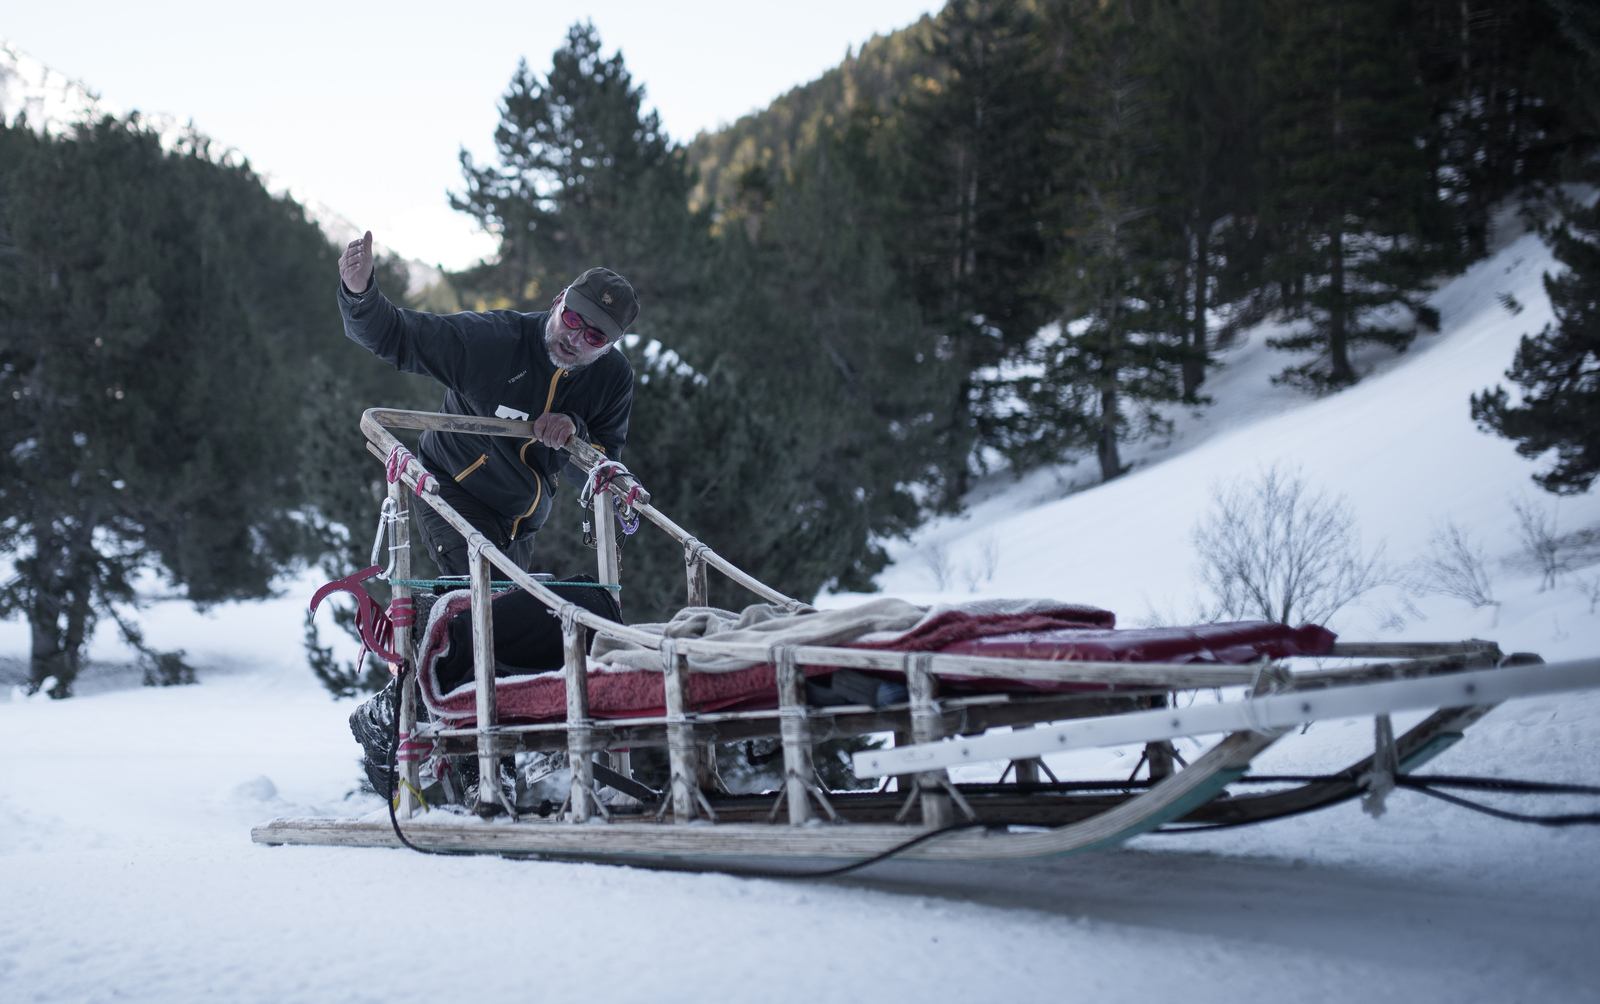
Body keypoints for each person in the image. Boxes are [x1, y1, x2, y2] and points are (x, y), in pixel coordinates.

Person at [337, 231, 636, 576]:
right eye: (572, 319)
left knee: (516, 617)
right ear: (558, 302)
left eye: (594, 336)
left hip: (521, 519)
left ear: (609, 346)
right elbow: (399, 337)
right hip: (452, 487)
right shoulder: (495, 341)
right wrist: (359, 294)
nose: (575, 338)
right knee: (489, 602)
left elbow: (598, 464)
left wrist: (573, 432)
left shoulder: (613, 378)